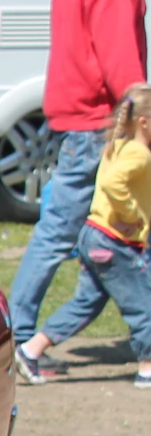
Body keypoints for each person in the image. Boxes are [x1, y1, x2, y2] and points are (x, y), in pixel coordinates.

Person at [9, 0, 151, 383]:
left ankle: (30, 336)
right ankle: (18, 338)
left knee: (102, 237)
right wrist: (138, 115)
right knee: (72, 234)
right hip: (100, 123)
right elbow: (118, 53)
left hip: (83, 116)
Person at [18, 83, 151, 388]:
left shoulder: (115, 145)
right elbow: (115, 184)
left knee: (86, 304)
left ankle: (29, 349)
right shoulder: (139, 155)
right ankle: (147, 368)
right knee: (144, 302)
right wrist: (132, 215)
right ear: (143, 121)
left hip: (94, 236)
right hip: (116, 243)